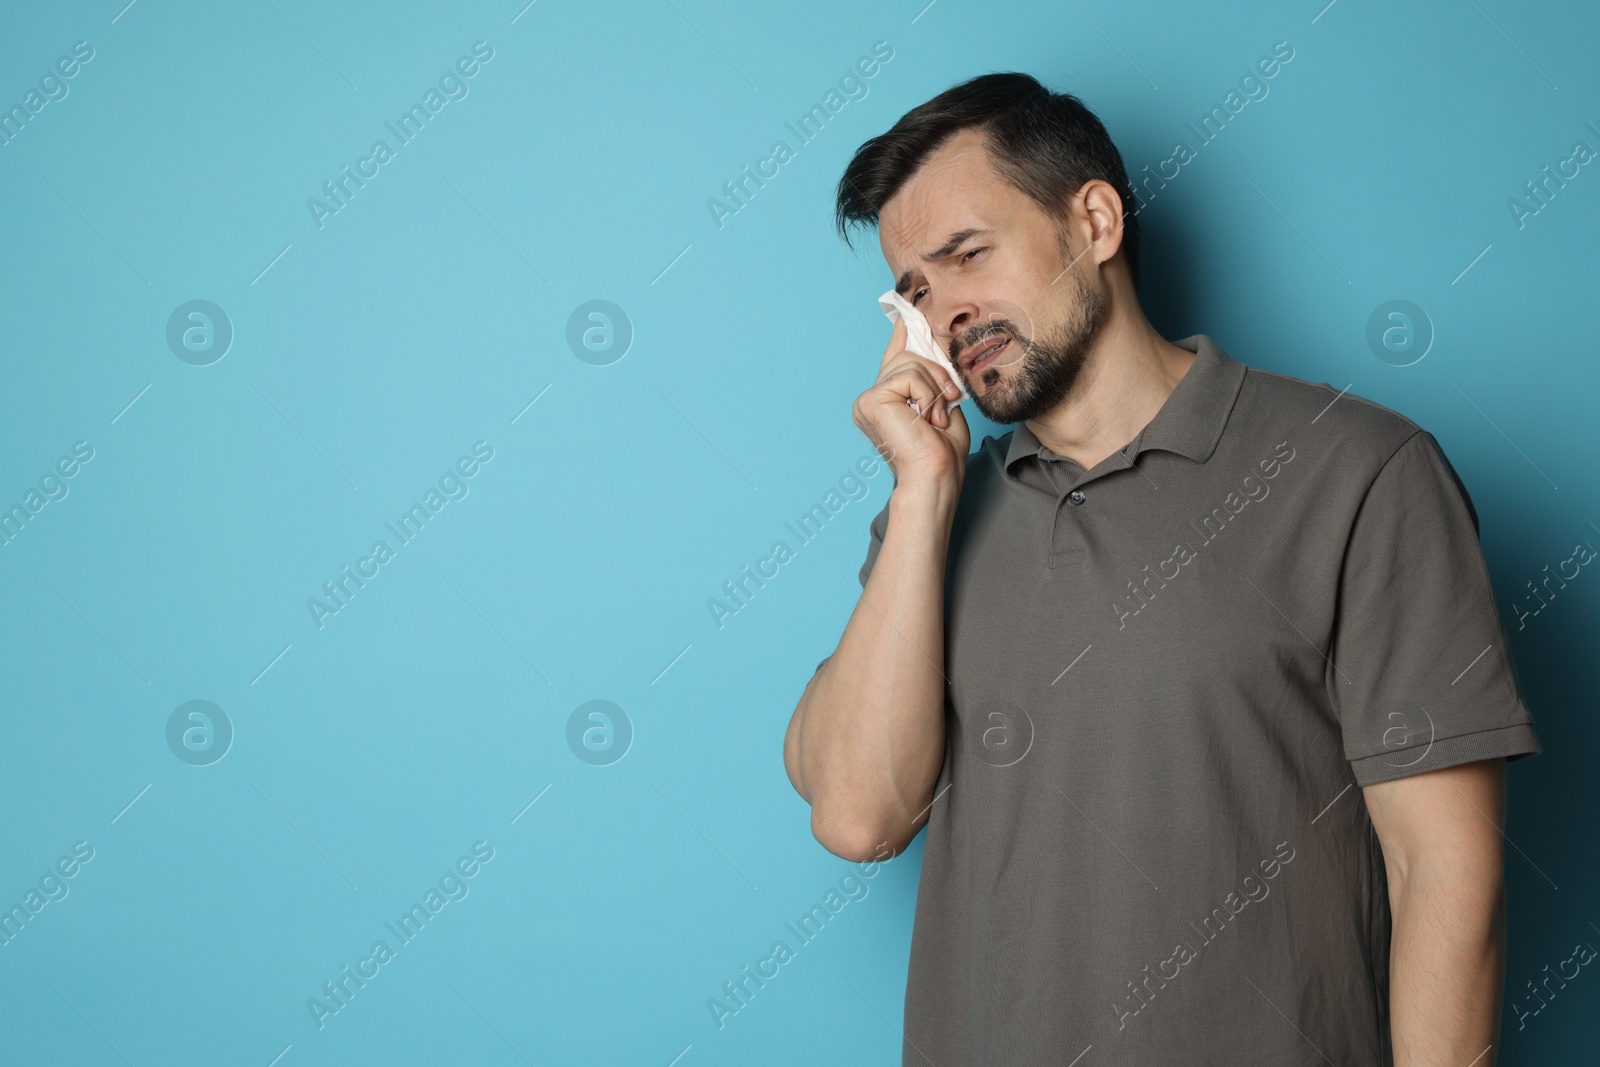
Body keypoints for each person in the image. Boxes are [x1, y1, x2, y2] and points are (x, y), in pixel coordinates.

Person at [782, 72, 1540, 1066]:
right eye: (915, 288)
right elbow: (857, 813)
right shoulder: (935, 513)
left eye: (968, 254)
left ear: (1092, 220)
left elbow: (1441, 868)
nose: (945, 311)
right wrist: (921, 490)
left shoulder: (1356, 470)